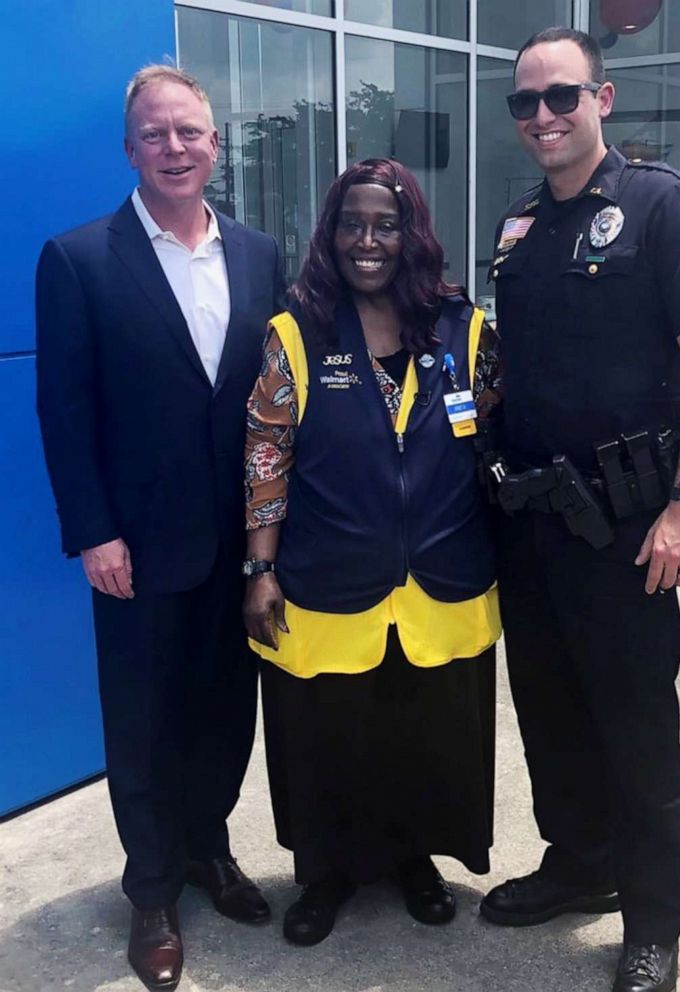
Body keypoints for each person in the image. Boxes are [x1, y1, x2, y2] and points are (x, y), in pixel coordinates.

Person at [479, 27, 680, 992]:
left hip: (630, 526)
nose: (544, 116)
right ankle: (578, 864)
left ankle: (651, 920)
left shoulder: (665, 208)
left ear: (605, 98)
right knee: (549, 711)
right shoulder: (518, 229)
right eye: (526, 102)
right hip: (533, 519)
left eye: (563, 96)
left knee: (635, 726)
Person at [36, 65, 285, 992]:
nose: (175, 149)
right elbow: (64, 411)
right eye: (156, 134)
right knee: (142, 723)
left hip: (245, 547)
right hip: (137, 547)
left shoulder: (260, 254)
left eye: (191, 133)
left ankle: (208, 851)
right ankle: (152, 892)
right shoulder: (80, 258)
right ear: (130, 148)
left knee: (226, 713)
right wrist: (93, 532)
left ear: (216, 145)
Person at [242, 158, 501, 946]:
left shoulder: (463, 327)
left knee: (425, 736)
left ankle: (414, 861)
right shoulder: (298, 330)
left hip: (442, 581)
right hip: (329, 581)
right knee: (329, 737)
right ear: (330, 232)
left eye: (385, 224)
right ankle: (326, 875)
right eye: (352, 223)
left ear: (411, 232)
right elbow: (266, 455)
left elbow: (492, 435)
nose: (368, 240)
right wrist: (260, 568)